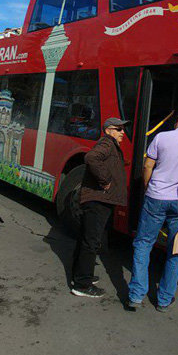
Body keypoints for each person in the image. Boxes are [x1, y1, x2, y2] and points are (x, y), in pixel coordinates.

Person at [126, 111, 178, 312]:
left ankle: (136, 295)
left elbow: (148, 165)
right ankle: (164, 300)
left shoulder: (162, 136)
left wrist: (148, 187)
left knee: (143, 243)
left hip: (155, 197)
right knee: (176, 249)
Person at [70, 117, 128, 298]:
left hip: (98, 200)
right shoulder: (107, 143)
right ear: (109, 130)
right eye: (119, 129)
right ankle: (82, 285)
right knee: (91, 241)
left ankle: (80, 275)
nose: (123, 133)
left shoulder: (110, 145)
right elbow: (91, 157)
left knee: (87, 239)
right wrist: (106, 181)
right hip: (98, 200)